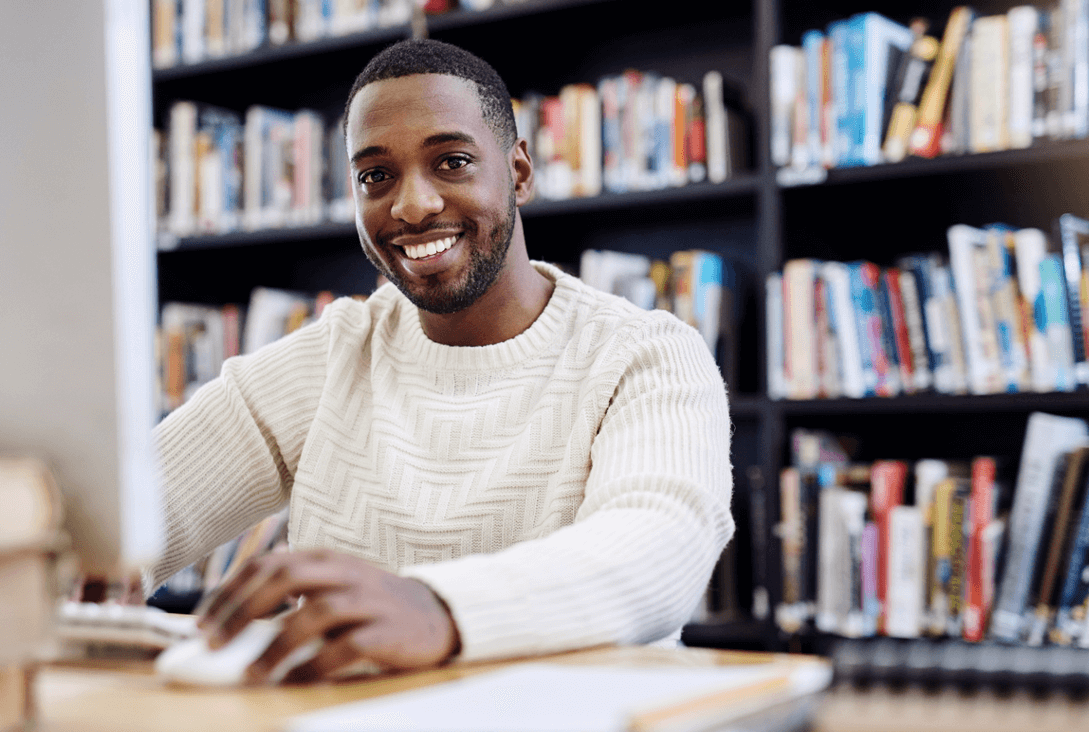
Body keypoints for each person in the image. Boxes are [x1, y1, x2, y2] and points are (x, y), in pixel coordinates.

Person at [148, 38, 734, 683]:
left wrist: (442, 610)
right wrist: (85, 566)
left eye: (451, 162)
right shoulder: (334, 354)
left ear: (518, 172)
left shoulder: (645, 354)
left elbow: (661, 547)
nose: (412, 205)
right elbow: (140, 506)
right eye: (376, 176)